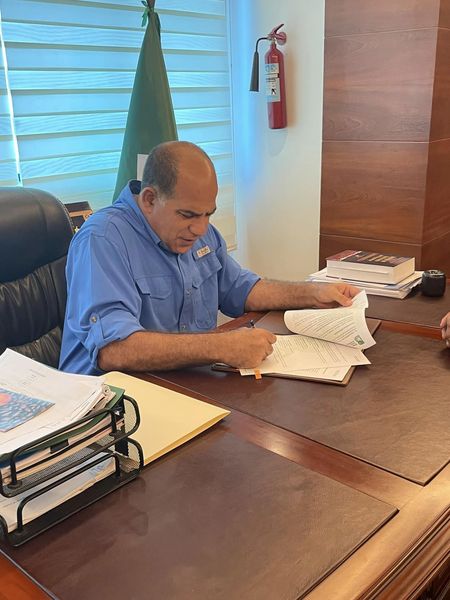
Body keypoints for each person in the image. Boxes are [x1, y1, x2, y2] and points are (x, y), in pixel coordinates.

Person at [59, 141, 359, 375]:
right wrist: (220, 346)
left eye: (208, 214)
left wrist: (312, 293)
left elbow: (243, 290)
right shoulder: (103, 239)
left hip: (185, 383)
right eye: (188, 215)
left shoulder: (200, 233)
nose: (201, 229)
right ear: (150, 199)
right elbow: (114, 350)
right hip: (110, 406)